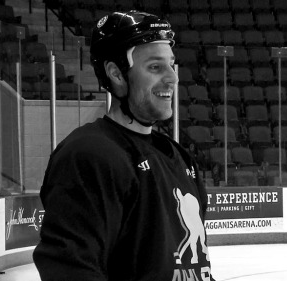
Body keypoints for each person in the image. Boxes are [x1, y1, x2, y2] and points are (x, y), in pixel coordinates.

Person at [33, 10, 215, 281]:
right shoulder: (90, 155)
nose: (172, 78)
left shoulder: (180, 158)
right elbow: (71, 270)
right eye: (155, 67)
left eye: (171, 64)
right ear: (116, 74)